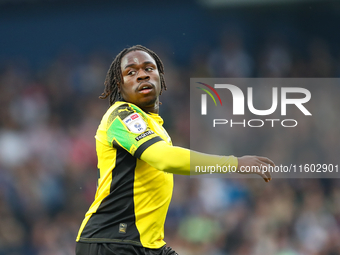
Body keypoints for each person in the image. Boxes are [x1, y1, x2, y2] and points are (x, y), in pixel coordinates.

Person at [75, 45, 274, 255]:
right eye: (131, 72)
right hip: (111, 241)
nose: (142, 75)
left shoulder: (154, 125)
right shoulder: (122, 116)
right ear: (119, 85)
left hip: (147, 244)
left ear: (160, 78)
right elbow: (164, 158)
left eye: (148, 68)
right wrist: (234, 163)